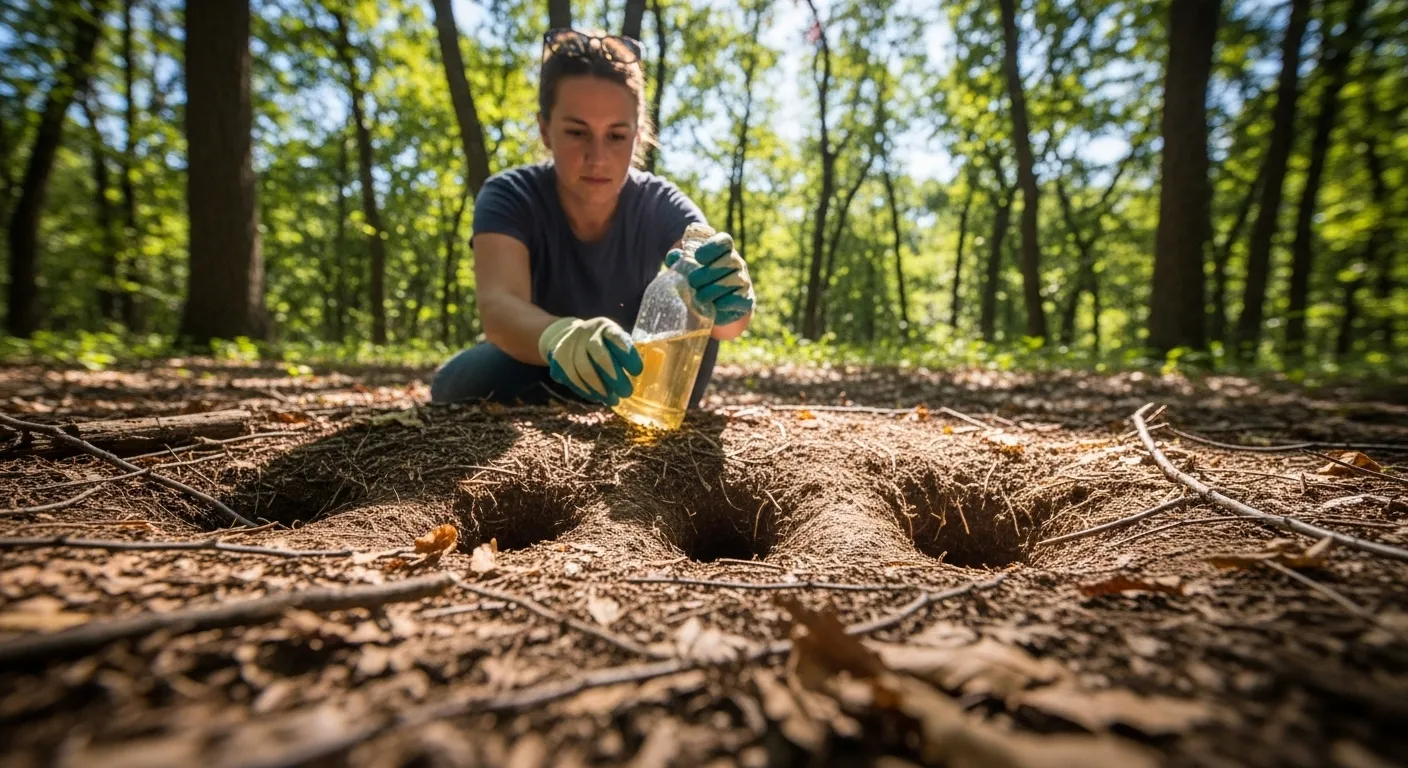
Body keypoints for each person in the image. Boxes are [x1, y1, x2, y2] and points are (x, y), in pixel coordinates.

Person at [430, 28, 755, 409]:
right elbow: (499, 305)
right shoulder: (510, 194)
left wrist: (733, 295)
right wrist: (560, 336)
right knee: (456, 384)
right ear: (545, 130)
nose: (597, 157)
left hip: (641, 380)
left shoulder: (663, 204)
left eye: (616, 136)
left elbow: (723, 325)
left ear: (638, 135)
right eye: (576, 132)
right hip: (539, 366)